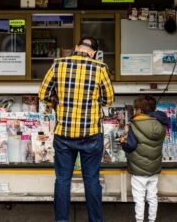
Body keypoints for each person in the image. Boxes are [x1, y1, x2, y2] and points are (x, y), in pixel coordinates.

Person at [38, 37, 114, 222]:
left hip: (64, 134)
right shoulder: (100, 68)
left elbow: (42, 94)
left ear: (76, 48)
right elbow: (109, 99)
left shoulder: (58, 64)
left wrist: (55, 102)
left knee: (63, 180)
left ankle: (61, 220)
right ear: (93, 52)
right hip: (91, 134)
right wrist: (94, 103)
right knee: (91, 180)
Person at [120, 95, 168, 222]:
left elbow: (130, 146)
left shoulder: (135, 125)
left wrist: (122, 142)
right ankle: (152, 220)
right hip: (154, 169)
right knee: (152, 197)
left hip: (138, 170)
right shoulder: (161, 124)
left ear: (140, 110)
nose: (135, 111)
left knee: (139, 199)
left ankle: (140, 220)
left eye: (136, 108)